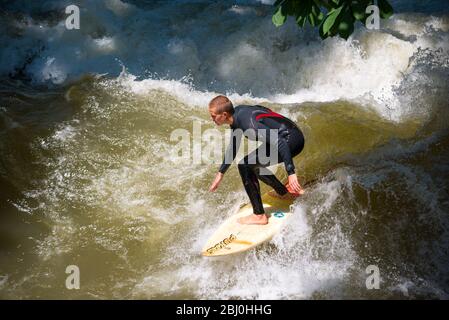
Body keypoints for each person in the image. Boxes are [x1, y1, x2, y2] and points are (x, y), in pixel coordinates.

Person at [208, 95, 305, 225]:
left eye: (213, 116)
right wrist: (221, 173)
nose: (212, 119)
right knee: (252, 163)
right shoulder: (237, 114)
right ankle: (284, 193)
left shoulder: (249, 125)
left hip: (291, 141)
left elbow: (280, 142)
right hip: (288, 133)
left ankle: (259, 216)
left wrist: (291, 173)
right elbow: (234, 145)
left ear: (224, 114)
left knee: (245, 165)